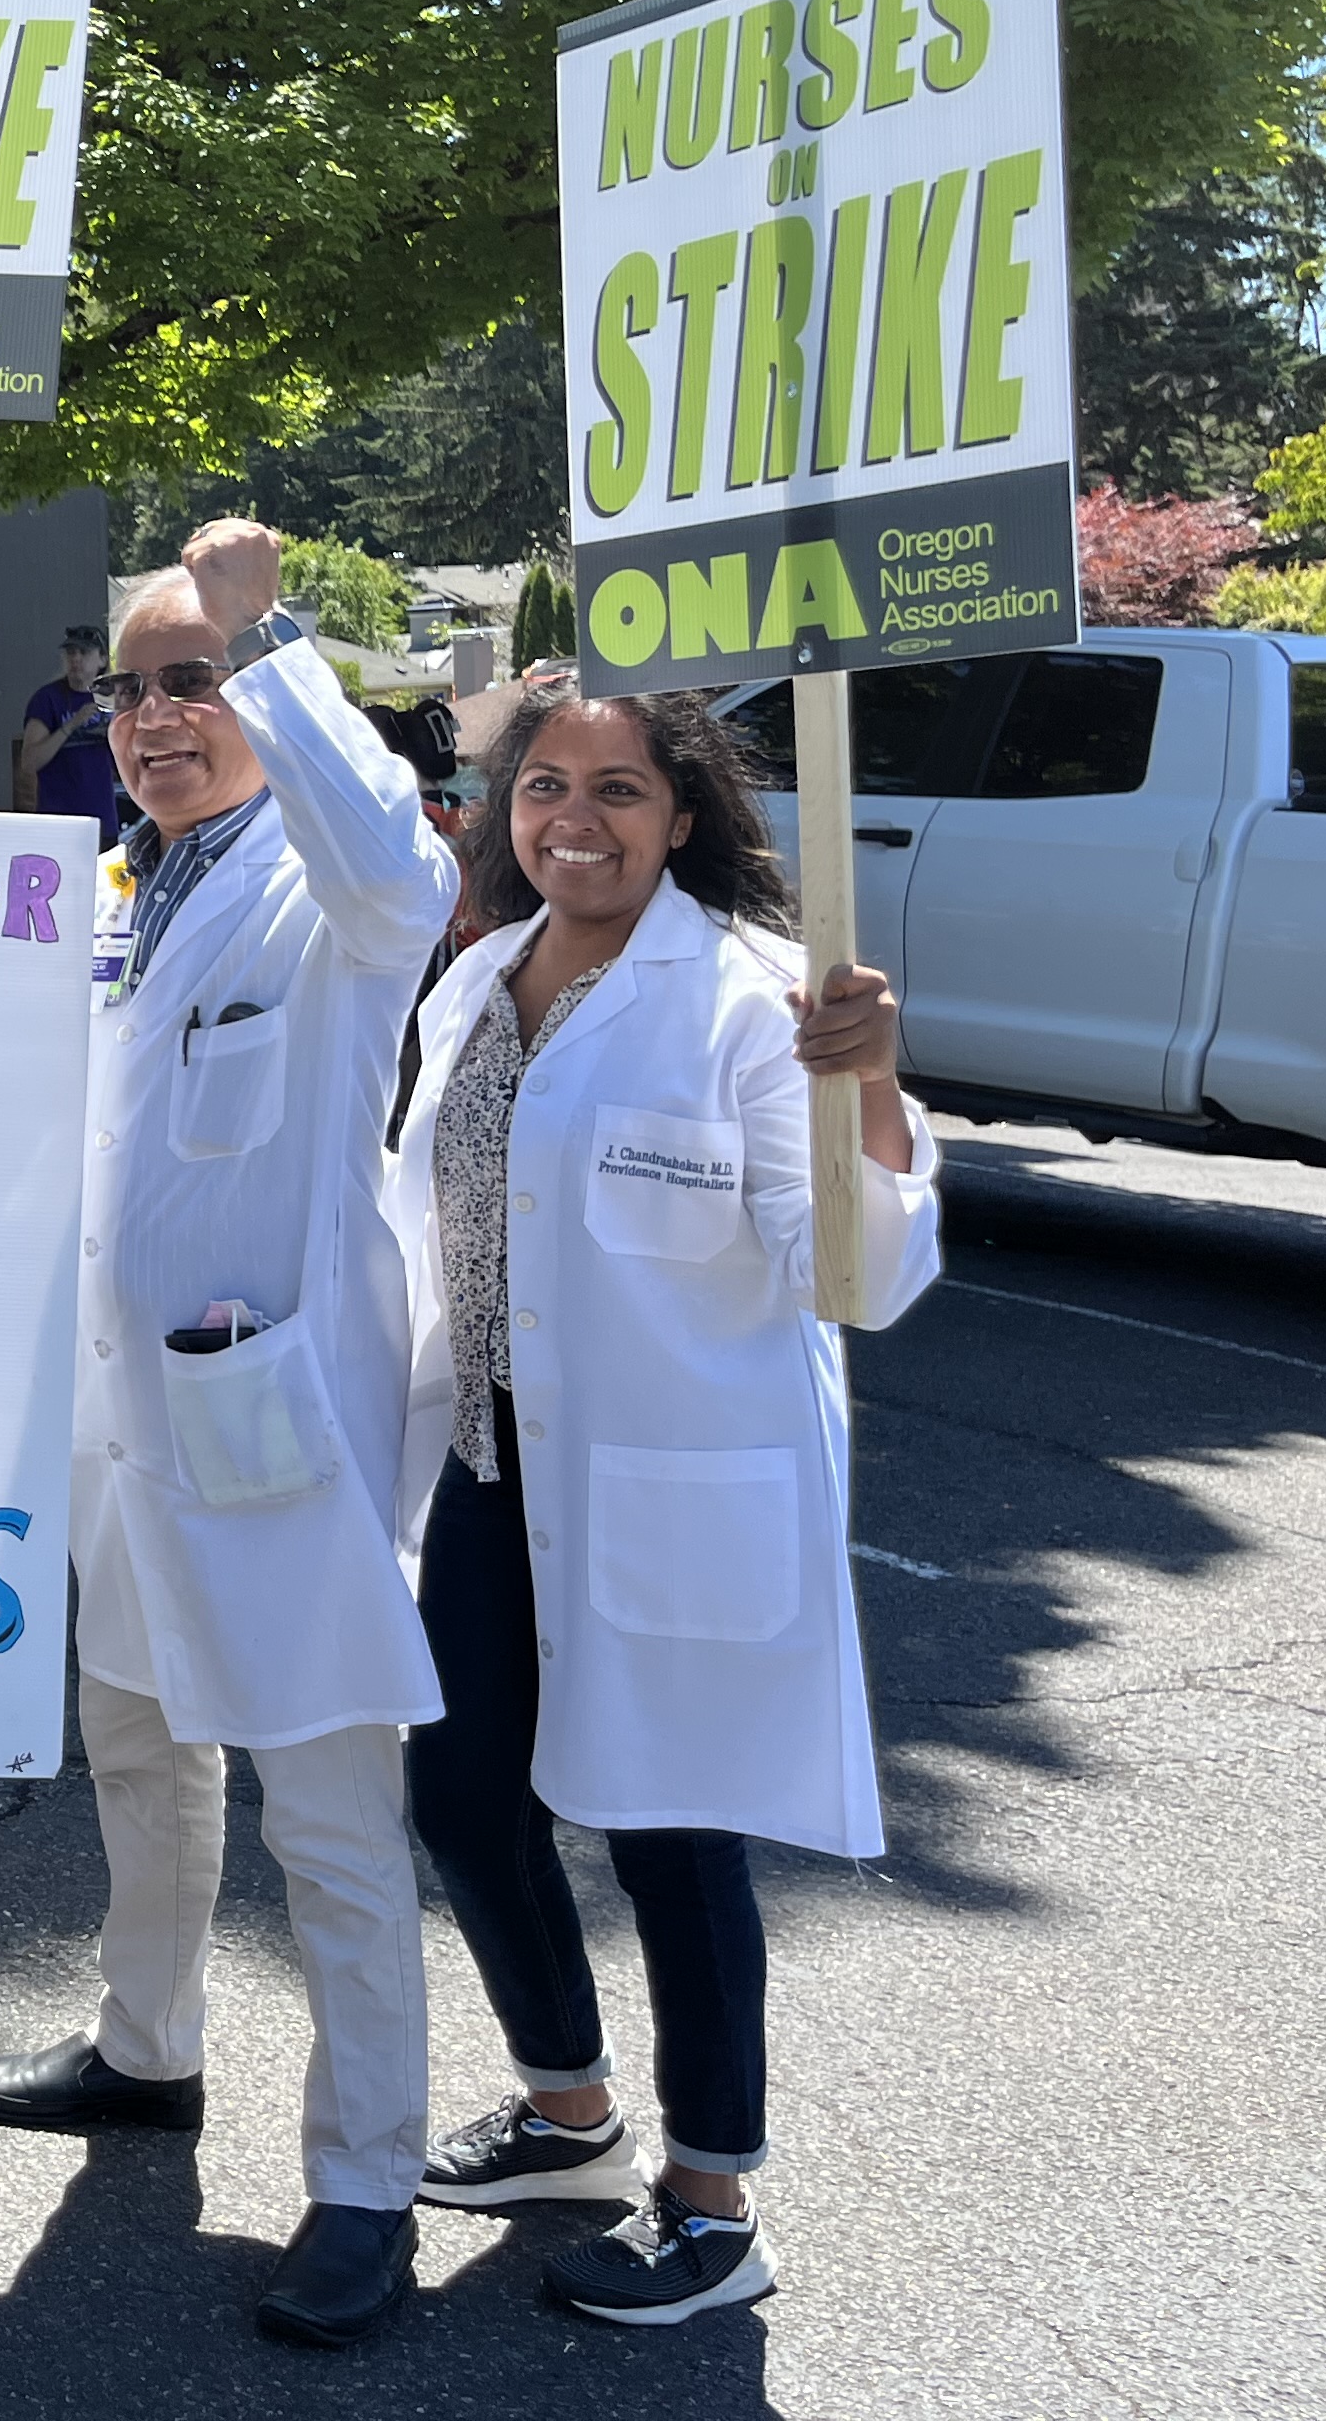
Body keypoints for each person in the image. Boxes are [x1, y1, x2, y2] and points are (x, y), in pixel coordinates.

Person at [0, 519, 457, 2353]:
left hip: (270, 1422)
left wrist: (267, 635)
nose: (162, 714)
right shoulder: (118, 890)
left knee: (328, 1812)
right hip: (115, 1417)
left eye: (197, 682)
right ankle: (145, 2045)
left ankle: (366, 2180)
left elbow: (402, 860)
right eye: (140, 683)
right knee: (138, 1746)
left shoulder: (328, 890)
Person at [388, 687, 936, 2326]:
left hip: (661, 1482)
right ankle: (569, 2111)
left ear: (679, 812)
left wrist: (874, 1093)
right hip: (483, 1461)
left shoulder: (757, 998)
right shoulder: (482, 974)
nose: (577, 815)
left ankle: (711, 2194)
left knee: (670, 1827)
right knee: (465, 1798)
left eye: (617, 788)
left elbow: (865, 1269)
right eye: (543, 784)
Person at [14, 621, 132, 839]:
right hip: (57, 823)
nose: (76, 659)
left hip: (101, 821)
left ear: (103, 659)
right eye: (70, 652)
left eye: (84, 652)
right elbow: (30, 762)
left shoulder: (113, 698)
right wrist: (72, 724)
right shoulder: (47, 699)